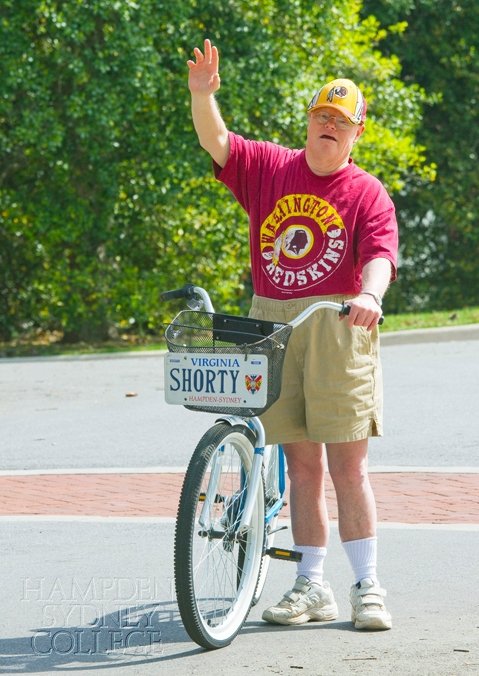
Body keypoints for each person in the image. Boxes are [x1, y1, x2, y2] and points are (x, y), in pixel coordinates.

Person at [187, 38, 397, 631]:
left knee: (347, 468)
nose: (329, 127)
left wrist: (370, 295)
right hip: (274, 323)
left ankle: (367, 586)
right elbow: (218, 142)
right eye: (321, 117)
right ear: (309, 122)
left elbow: (380, 254)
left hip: (338, 325)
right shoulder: (272, 168)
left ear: (357, 133)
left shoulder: (366, 192)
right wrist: (203, 96)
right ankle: (311, 586)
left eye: (341, 121)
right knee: (301, 467)